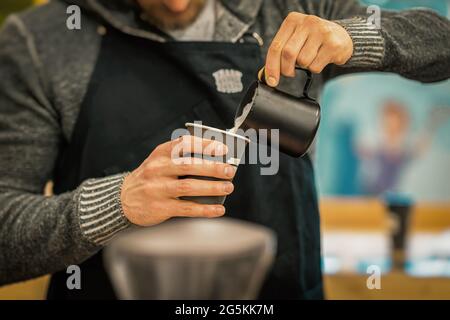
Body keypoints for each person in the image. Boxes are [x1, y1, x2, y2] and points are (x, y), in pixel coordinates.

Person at [0, 0, 449, 299]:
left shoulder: (295, 8)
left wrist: (355, 38)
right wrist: (117, 202)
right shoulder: (43, 39)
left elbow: (441, 41)